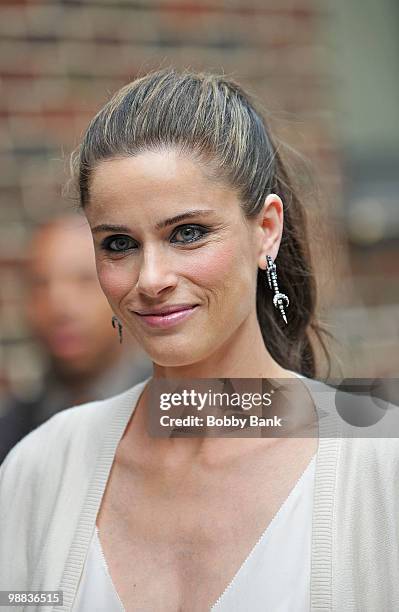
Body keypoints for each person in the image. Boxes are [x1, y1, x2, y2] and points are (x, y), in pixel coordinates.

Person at [0, 68, 398, 612]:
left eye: (187, 233)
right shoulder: (41, 469)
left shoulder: (379, 465)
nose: (150, 279)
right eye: (118, 243)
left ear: (267, 229)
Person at [0, 214, 152, 464]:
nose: (59, 306)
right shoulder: (11, 436)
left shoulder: (184, 408)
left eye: (84, 280)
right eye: (40, 284)